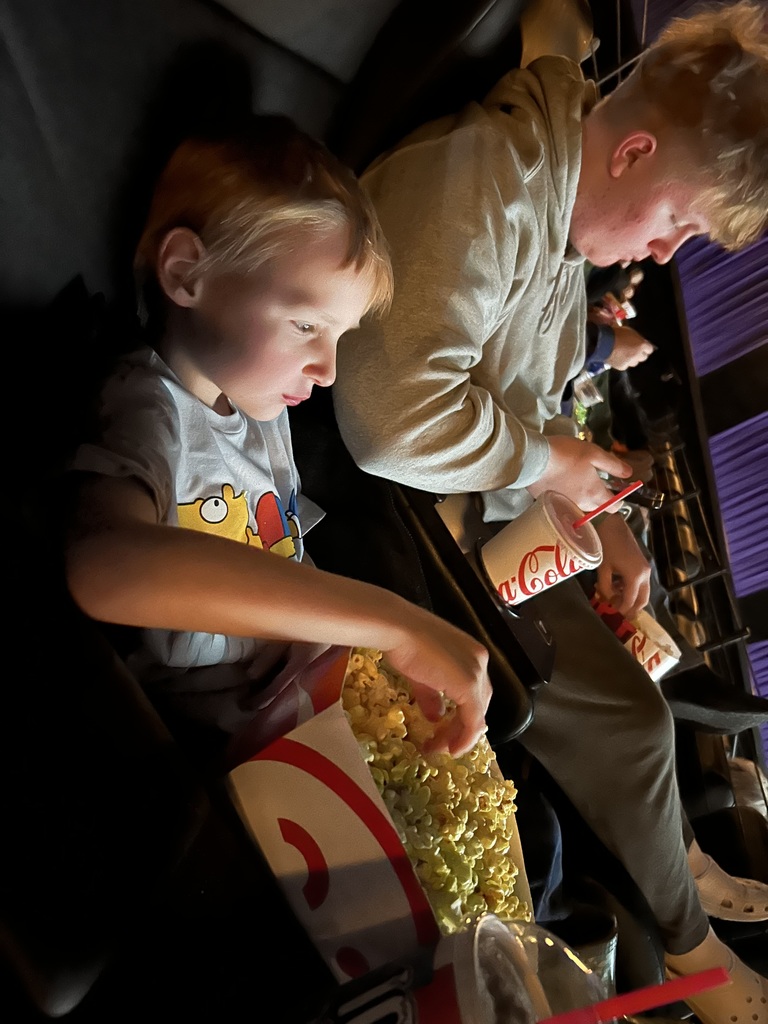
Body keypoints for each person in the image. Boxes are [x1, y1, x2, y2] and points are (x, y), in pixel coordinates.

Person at [332, 3, 768, 1020]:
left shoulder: (565, 190)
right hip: (417, 522)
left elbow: (557, 30)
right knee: (639, 722)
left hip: (490, 503)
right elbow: (388, 422)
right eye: (679, 222)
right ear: (636, 152)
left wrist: (601, 514)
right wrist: (553, 461)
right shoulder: (485, 181)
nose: (666, 252)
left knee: (648, 667)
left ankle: (678, 861)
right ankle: (691, 946)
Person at [63, 116, 493, 767]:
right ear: (186, 273)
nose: (329, 370)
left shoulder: (257, 406)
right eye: (305, 325)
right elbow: (104, 567)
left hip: (313, 696)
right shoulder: (145, 409)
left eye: (339, 335)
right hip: (219, 755)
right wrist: (394, 622)